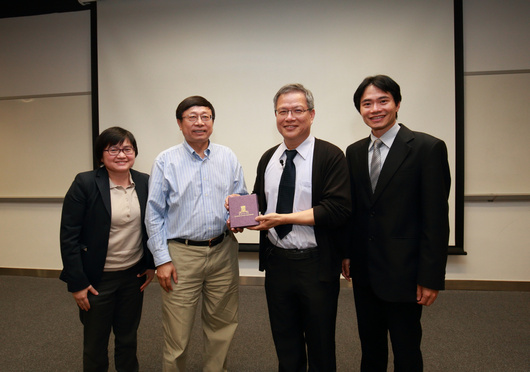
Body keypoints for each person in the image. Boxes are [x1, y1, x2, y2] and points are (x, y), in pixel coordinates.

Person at [342, 75, 451, 371]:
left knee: (406, 349)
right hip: (365, 272)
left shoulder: (427, 148)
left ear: (397, 103)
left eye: (383, 101)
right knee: (370, 348)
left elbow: (436, 219)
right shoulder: (353, 152)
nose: (375, 109)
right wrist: (348, 252)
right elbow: (355, 211)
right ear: (360, 110)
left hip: (406, 273)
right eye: (367, 103)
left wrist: (430, 276)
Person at [248, 83, 351, 371]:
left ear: (312, 114)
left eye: (297, 110)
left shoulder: (330, 156)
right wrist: (238, 214)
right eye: (283, 111)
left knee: (320, 343)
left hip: (316, 265)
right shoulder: (269, 157)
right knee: (285, 342)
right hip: (277, 263)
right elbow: (258, 202)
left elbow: (337, 209)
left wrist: (284, 218)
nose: (289, 117)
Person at [145, 96, 247, 372]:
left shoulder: (228, 156)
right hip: (181, 255)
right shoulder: (166, 161)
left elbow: (241, 197)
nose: (200, 122)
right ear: (180, 123)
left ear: (213, 122)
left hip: (223, 250)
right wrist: (161, 260)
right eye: (192, 117)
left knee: (222, 326)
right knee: (177, 332)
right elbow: (154, 213)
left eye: (206, 116)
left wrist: (235, 218)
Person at [60, 126, 155, 372]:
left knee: (128, 339)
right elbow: (69, 236)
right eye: (113, 149)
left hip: (133, 276)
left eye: (127, 149)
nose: (121, 155)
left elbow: (154, 225)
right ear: (100, 155)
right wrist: (77, 283)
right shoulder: (86, 182)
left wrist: (151, 264)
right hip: (96, 279)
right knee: (95, 343)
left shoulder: (145, 181)